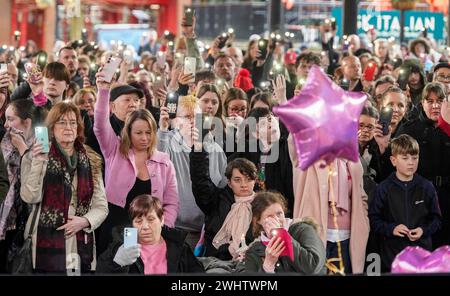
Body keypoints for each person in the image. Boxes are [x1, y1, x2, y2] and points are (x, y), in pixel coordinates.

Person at [93, 70, 179, 255]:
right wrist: (103, 91)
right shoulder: (114, 150)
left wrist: (163, 228)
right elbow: (100, 125)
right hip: (115, 228)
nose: (145, 138)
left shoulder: (164, 162)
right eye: (139, 133)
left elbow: (171, 203)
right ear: (128, 133)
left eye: (149, 133)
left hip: (149, 232)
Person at [20, 101, 108, 273]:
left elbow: (101, 206)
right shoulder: (33, 156)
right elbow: (30, 197)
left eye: (73, 122)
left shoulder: (91, 159)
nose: (68, 127)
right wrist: (39, 161)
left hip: (80, 241)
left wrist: (85, 221)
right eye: (62, 122)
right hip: (44, 243)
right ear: (51, 128)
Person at [288, 136, 370, 274]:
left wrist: (364, 217)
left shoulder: (351, 157)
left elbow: (360, 193)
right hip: (315, 235)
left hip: (347, 237)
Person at [157, 93, 227, 249]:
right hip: (174, 228)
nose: (193, 121)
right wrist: (162, 129)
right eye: (187, 117)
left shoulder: (215, 149)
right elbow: (157, 162)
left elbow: (222, 186)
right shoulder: (167, 142)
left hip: (205, 230)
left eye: (196, 116)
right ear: (175, 121)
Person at [369, 134, 441, 272]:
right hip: (392, 257)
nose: (411, 163)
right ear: (393, 160)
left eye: (415, 158)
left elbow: (437, 219)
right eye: (405, 158)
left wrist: (423, 230)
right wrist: (391, 228)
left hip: (422, 258)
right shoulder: (383, 188)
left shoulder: (427, 187)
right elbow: (374, 219)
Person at [397, 82, 450, 248]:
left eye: (439, 101)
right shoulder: (409, 129)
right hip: (419, 199)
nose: (435, 106)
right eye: (430, 101)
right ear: (422, 103)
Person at [96, 195, 203, 274]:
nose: (145, 226)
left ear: (161, 220)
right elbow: (100, 272)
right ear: (132, 224)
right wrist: (116, 264)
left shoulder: (179, 246)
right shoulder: (121, 246)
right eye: (138, 221)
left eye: (151, 219)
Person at [0, 100, 46, 272]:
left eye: (11, 119)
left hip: (28, 219)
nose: (6, 125)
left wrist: (23, 150)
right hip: (6, 217)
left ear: (26, 123)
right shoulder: (5, 140)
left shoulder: (42, 141)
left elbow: (36, 185)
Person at [190, 153, 257, 261]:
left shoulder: (263, 205)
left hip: (250, 262)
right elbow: (201, 181)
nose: (244, 184)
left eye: (248, 179)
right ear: (229, 183)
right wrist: (198, 150)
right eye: (237, 180)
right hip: (216, 261)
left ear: (255, 181)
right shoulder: (217, 200)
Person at [230, 107, 294, 215]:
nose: (269, 123)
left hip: (285, 210)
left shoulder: (286, 147)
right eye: (262, 124)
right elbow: (233, 164)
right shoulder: (251, 151)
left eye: (270, 119)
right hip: (258, 211)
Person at [245, 192, 326, 274]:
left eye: (279, 214)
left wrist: (283, 237)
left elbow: (313, 267)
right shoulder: (254, 251)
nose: (277, 220)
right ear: (258, 220)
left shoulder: (303, 230)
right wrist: (267, 267)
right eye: (270, 217)